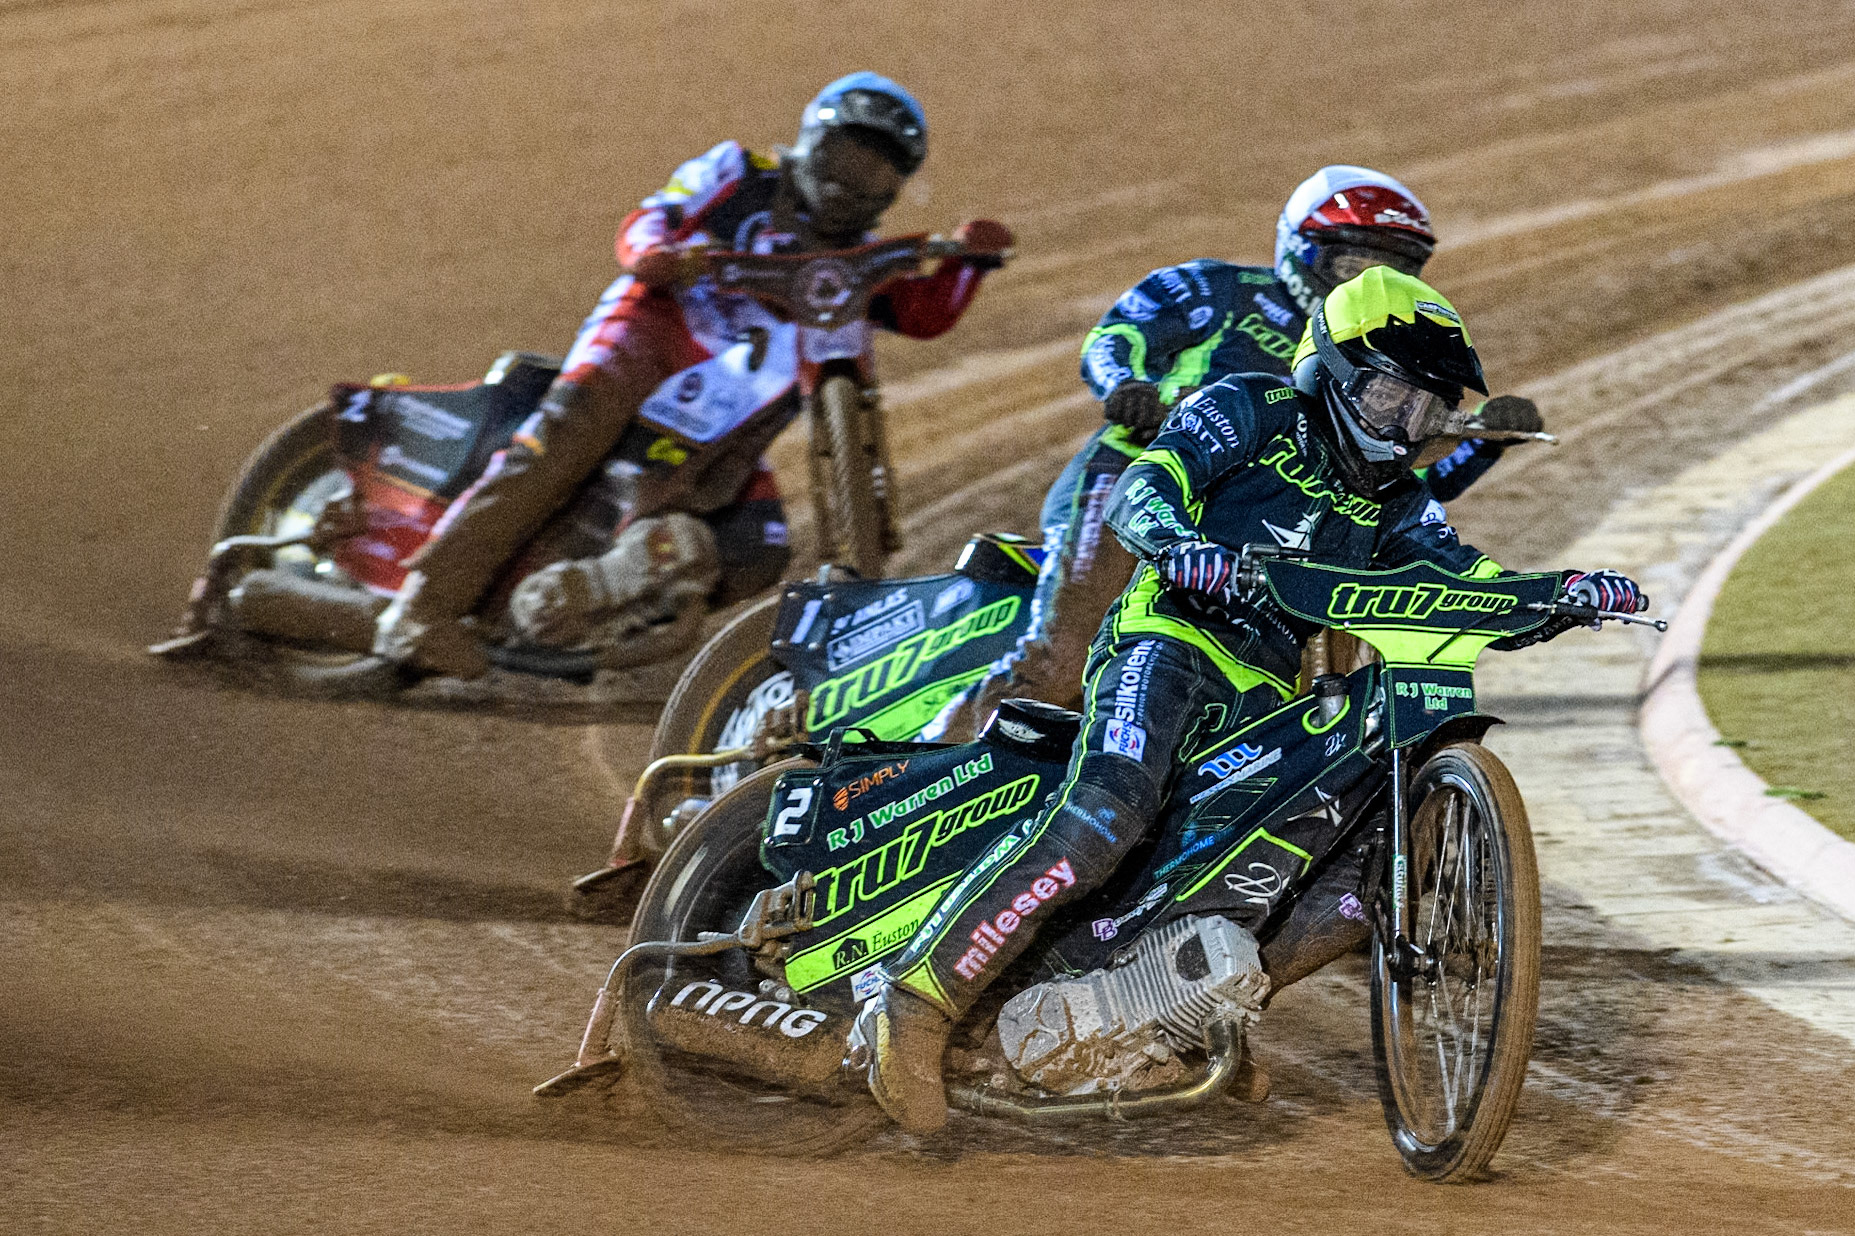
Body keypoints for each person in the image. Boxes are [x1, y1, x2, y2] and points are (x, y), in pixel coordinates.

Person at [854, 267, 1646, 1132]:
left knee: (1354, 893)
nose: (1402, 428)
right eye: (1388, 399)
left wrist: (1561, 596)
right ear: (1330, 373)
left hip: (1267, 695)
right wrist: (1182, 546)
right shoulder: (1249, 407)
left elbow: (1462, 580)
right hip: (1168, 642)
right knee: (1111, 807)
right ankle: (918, 1000)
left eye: (1424, 411)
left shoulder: (1402, 503)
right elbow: (1143, 489)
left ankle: (1171, 1018)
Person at [372, 72, 1012, 676]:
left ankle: (582, 606)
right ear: (814, 141)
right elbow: (654, 216)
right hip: (651, 336)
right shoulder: (741, 171)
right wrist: (659, 256)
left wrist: (968, 264)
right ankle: (419, 609)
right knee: (558, 444)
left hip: (725, 417)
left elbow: (921, 314)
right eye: (847, 156)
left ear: (894, 188)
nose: (852, 182)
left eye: (874, 170)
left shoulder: (860, 263)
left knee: (757, 547)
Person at [931, 166, 1541, 738]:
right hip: (1141, 471)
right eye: (1353, 262)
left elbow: (1401, 489)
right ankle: (929, 773)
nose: (1365, 282)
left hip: (1272, 507)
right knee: (1063, 659)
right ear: (1304, 251)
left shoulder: (1382, 359)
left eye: (1388, 268)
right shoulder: (1217, 289)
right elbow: (1116, 334)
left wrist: (1485, 444)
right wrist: (1127, 387)